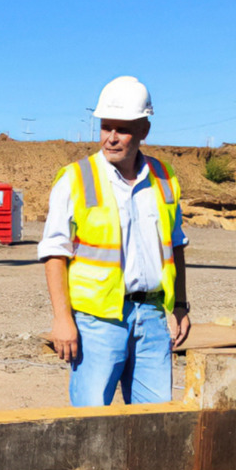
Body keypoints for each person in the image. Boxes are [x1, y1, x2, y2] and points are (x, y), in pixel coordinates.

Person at [39, 76, 192, 406]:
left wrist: (179, 305)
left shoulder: (164, 178)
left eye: (121, 129)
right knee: (92, 425)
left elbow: (176, 245)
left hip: (151, 315)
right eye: (105, 127)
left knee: (153, 422)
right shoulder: (76, 178)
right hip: (97, 322)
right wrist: (62, 318)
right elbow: (54, 252)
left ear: (143, 131)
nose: (110, 138)